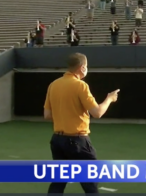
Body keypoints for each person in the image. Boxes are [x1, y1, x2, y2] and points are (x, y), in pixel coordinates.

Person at [44, 53, 119, 195]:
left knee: (58, 182)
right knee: (90, 183)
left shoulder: (53, 85)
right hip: (78, 141)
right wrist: (109, 99)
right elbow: (97, 113)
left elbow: (47, 115)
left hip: (57, 140)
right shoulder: (80, 86)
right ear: (82, 67)